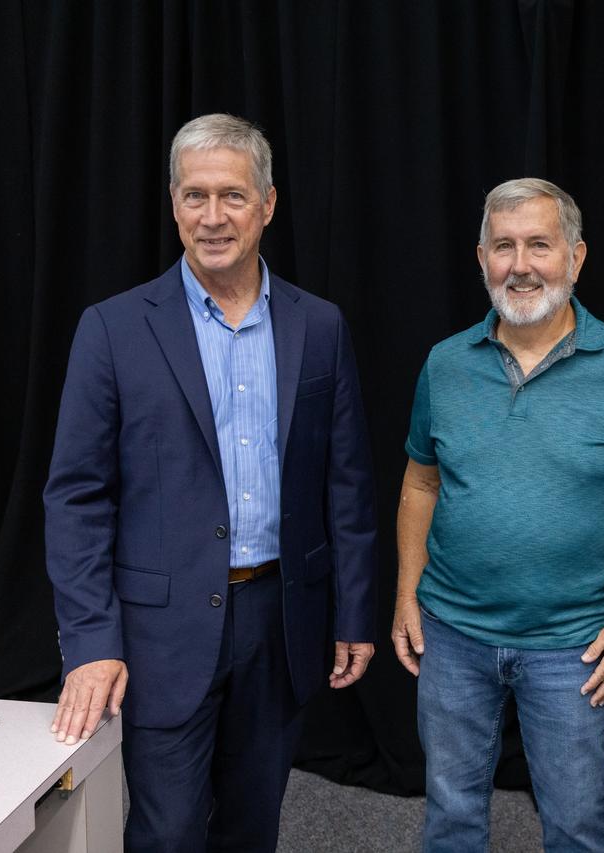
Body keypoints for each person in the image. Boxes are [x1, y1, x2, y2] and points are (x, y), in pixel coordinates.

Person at [43, 114, 378, 851]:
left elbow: (346, 483)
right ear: (173, 204)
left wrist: (354, 610)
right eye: (195, 196)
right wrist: (91, 639)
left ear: (267, 204)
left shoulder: (317, 326)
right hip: (160, 630)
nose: (213, 216)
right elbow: (75, 497)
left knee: (253, 826)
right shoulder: (113, 328)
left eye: (232, 195)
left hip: (280, 618)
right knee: (166, 833)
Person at [391, 178, 604, 852]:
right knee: (451, 816)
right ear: (481, 258)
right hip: (452, 635)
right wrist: (407, 592)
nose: (520, 265)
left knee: (578, 825)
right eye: (504, 246)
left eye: (539, 246)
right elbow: (419, 483)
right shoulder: (445, 365)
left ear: (575, 258)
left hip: (574, 647)